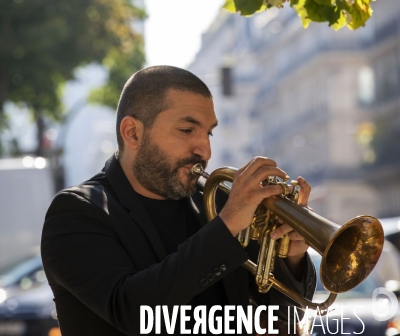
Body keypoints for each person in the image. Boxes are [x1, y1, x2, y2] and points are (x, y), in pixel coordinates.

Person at [41, 66, 316, 336]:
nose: (205, 150)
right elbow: (133, 313)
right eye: (187, 130)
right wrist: (227, 224)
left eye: (208, 133)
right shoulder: (76, 212)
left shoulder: (218, 203)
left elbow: (281, 317)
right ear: (133, 133)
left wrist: (291, 256)